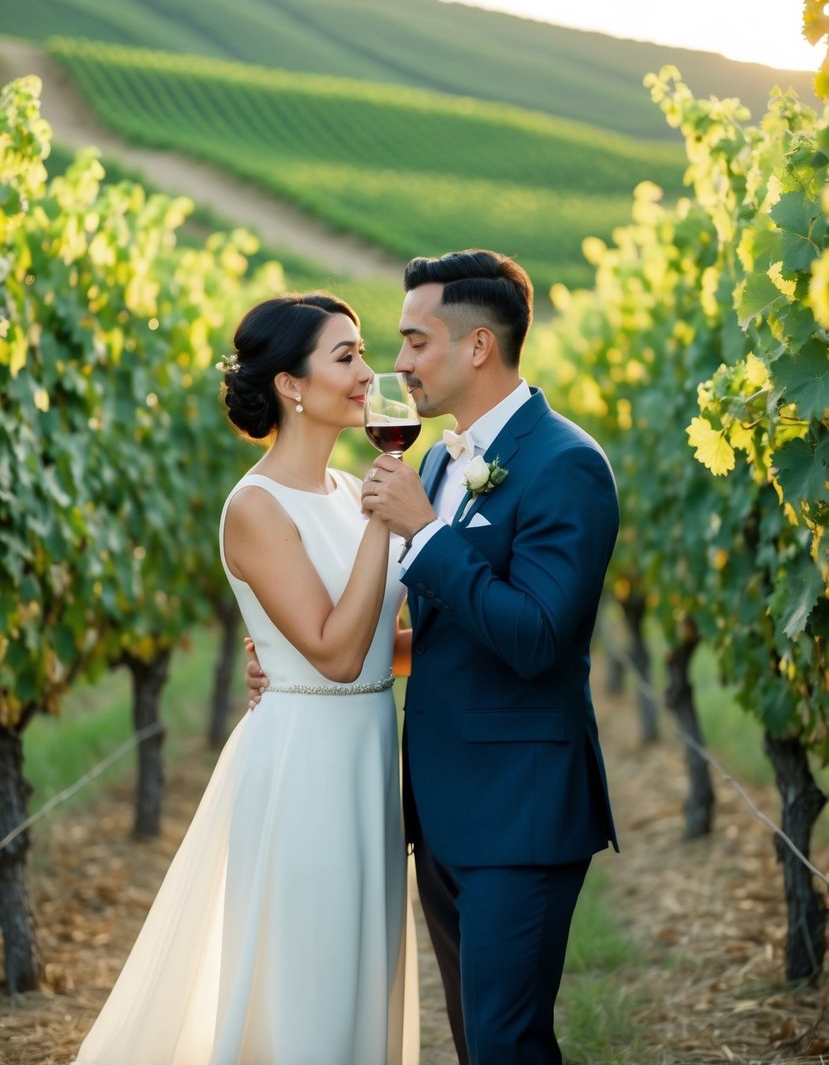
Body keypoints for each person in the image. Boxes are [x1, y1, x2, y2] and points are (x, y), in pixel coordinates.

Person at [248, 250, 619, 1065]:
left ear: (477, 346)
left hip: (519, 816)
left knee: (506, 1043)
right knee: (473, 1041)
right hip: (438, 816)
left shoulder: (566, 465)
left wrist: (425, 533)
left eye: (414, 343)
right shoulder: (438, 461)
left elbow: (536, 639)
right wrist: (298, 661)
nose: (398, 364)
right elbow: (457, 635)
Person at [75, 292, 418, 1065]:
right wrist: (382, 518)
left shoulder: (339, 490)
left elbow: (371, 653)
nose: (369, 373)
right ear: (292, 387)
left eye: (363, 353)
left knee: (360, 972)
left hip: (367, 756)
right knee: (309, 984)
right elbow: (332, 655)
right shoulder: (256, 507)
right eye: (346, 356)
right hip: (305, 767)